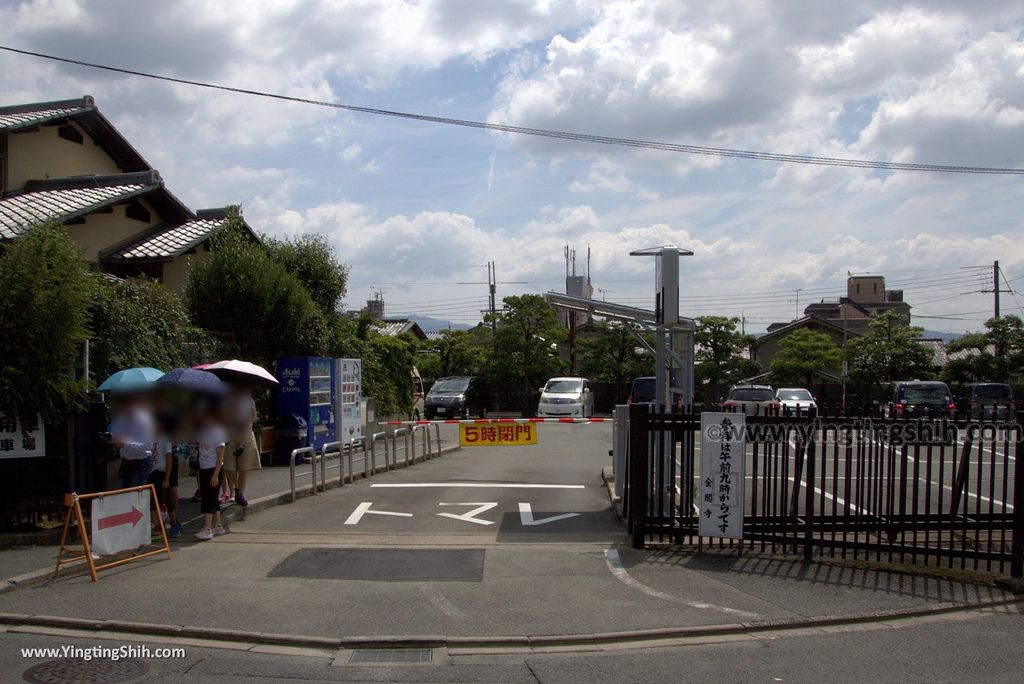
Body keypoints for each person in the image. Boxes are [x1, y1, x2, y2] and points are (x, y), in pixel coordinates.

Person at [223, 382, 261, 507]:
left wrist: (247, 420)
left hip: (246, 433)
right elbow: (223, 418)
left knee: (244, 467)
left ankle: (240, 494)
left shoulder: (250, 401)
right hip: (230, 433)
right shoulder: (227, 401)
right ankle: (237, 489)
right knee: (229, 466)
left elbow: (254, 418)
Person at [193, 400, 227, 541]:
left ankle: (207, 528)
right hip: (204, 466)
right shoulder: (202, 431)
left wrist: (215, 475)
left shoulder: (217, 431)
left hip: (214, 468)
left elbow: (220, 455)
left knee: (209, 498)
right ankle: (218, 525)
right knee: (211, 497)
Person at [109, 393, 154, 488]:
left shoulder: (144, 420)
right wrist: (111, 437)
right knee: (120, 491)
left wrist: (124, 444)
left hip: (141, 462)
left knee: (135, 494)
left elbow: (147, 446)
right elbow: (115, 431)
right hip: (125, 462)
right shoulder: (121, 418)